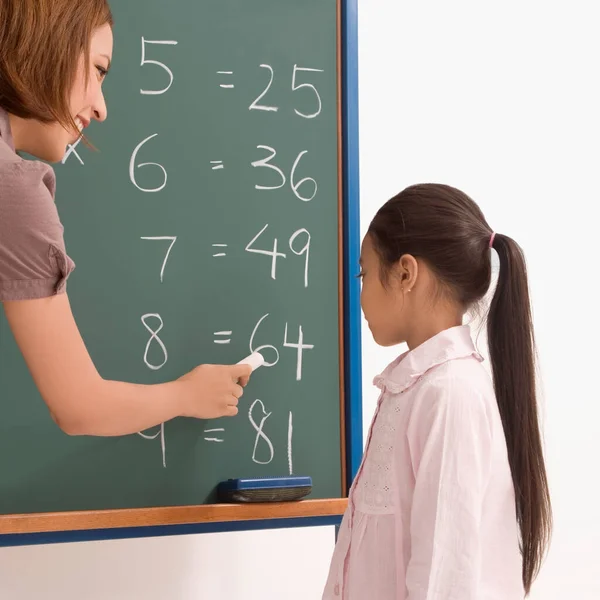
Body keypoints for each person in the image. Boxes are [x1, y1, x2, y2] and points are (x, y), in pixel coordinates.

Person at [0, 0, 251, 436]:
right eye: (98, 69)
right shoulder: (13, 189)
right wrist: (188, 394)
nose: (101, 109)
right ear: (46, 47)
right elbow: (79, 407)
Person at [323, 183, 552, 599]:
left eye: (365, 273)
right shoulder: (415, 387)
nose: (360, 292)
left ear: (406, 273)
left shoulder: (449, 394)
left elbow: (444, 579)